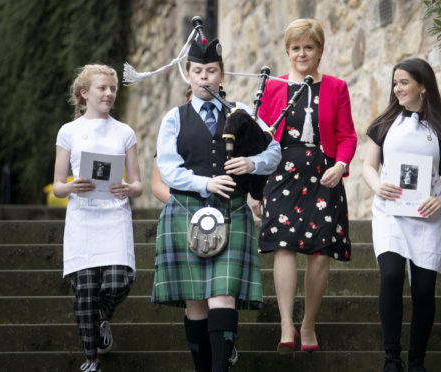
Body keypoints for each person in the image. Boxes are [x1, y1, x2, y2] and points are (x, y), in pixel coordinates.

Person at [152, 39, 281, 372]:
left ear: (221, 73)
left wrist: (252, 164)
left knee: (222, 296)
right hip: (185, 209)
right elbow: (167, 167)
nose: (204, 78)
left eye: (211, 71)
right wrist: (205, 183)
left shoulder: (243, 114)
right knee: (195, 303)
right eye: (198, 71)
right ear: (189, 75)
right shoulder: (174, 118)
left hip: (232, 212)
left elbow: (274, 152)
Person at [257, 18, 357, 354]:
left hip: (324, 175)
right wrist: (256, 189)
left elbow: (346, 135)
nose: (302, 53)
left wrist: (341, 165)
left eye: (309, 47)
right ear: (287, 51)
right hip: (280, 173)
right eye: (296, 48)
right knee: (283, 247)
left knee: (320, 254)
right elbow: (259, 139)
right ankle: (287, 325)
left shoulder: (336, 87)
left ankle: (309, 324)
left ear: (320, 51)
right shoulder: (272, 88)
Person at [362, 58, 441, 372]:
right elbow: (368, 165)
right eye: (395, 83)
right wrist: (378, 186)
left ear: (423, 85)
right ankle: (392, 358)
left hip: (427, 216)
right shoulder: (385, 122)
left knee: (423, 290)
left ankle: (417, 361)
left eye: (403, 82)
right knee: (391, 275)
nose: (397, 88)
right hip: (390, 213)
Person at [53, 64, 143, 372]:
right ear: (85, 93)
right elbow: (58, 186)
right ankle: (91, 360)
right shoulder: (68, 131)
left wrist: (127, 188)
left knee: (119, 282)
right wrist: (71, 185)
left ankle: (102, 317)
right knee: (86, 292)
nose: (109, 93)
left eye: (112, 88)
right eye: (102, 88)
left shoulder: (125, 132)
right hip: (83, 220)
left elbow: (138, 185)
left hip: (115, 216)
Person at [152, 87, 193, 203]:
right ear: (186, 103)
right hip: (183, 206)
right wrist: (183, 205)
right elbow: (157, 184)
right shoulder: (172, 134)